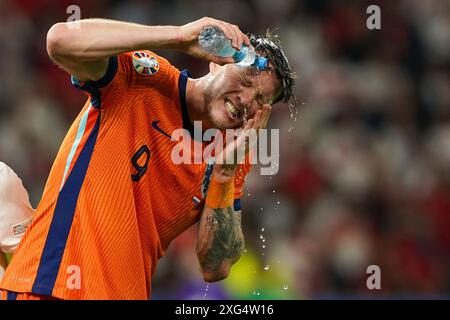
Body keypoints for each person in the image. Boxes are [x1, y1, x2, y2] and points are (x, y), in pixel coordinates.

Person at [0, 17, 295, 300]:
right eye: (245, 80)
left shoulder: (231, 157)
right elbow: (60, 40)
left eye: (260, 99)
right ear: (216, 63)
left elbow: (215, 267)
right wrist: (178, 37)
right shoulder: (144, 77)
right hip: (50, 287)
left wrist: (224, 174)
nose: (246, 101)